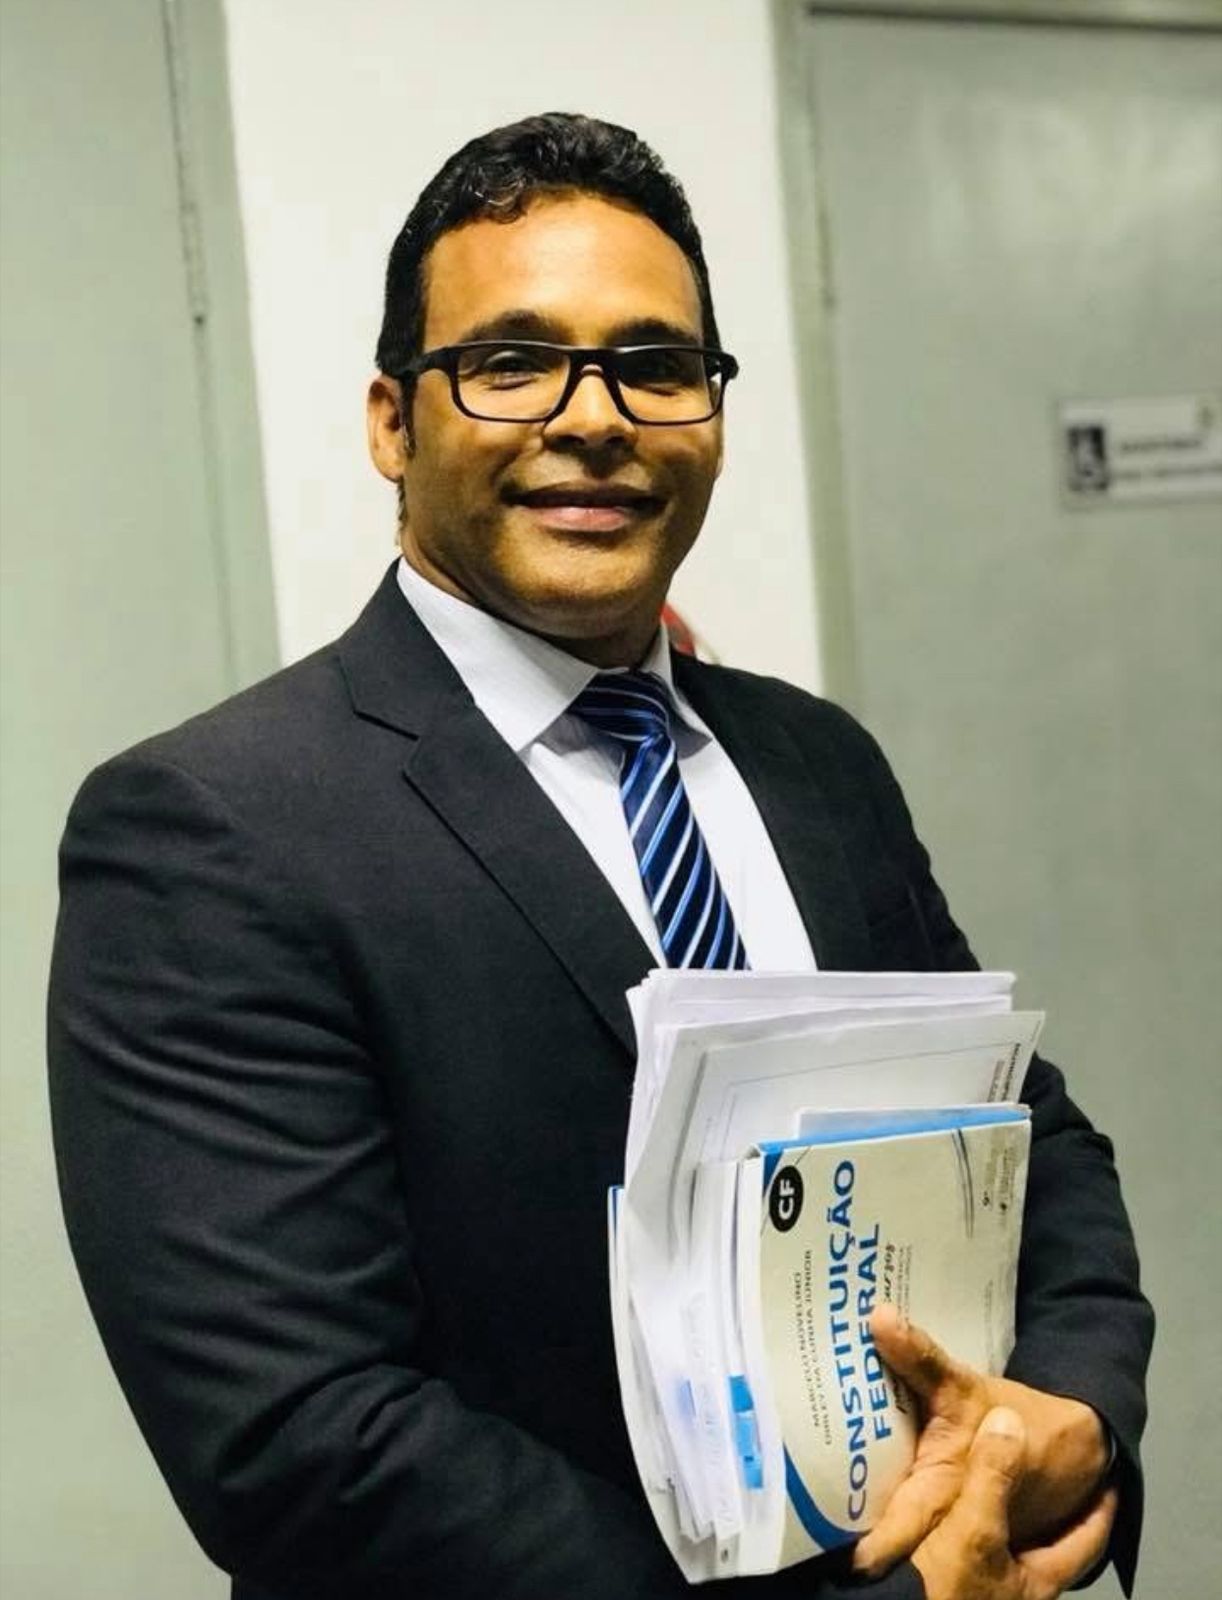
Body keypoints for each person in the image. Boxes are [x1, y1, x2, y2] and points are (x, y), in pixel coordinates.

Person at [47, 113, 1152, 1600]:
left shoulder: (817, 763)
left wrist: (1066, 1419)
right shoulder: (216, 827)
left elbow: (1027, 1144)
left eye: (655, 365)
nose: (596, 418)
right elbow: (301, 1438)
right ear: (392, 422)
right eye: (511, 362)